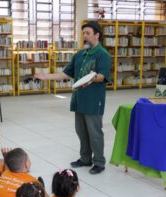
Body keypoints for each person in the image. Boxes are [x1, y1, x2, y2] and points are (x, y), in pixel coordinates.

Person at [35, 21, 111, 175]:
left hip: (93, 100)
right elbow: (66, 73)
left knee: (94, 132)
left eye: (88, 33)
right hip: (78, 99)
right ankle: (85, 158)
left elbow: (103, 76)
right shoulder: (80, 54)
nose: (84, 36)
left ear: (97, 35)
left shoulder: (103, 55)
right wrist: (46, 76)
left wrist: (92, 77)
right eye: (83, 33)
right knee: (81, 131)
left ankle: (99, 162)